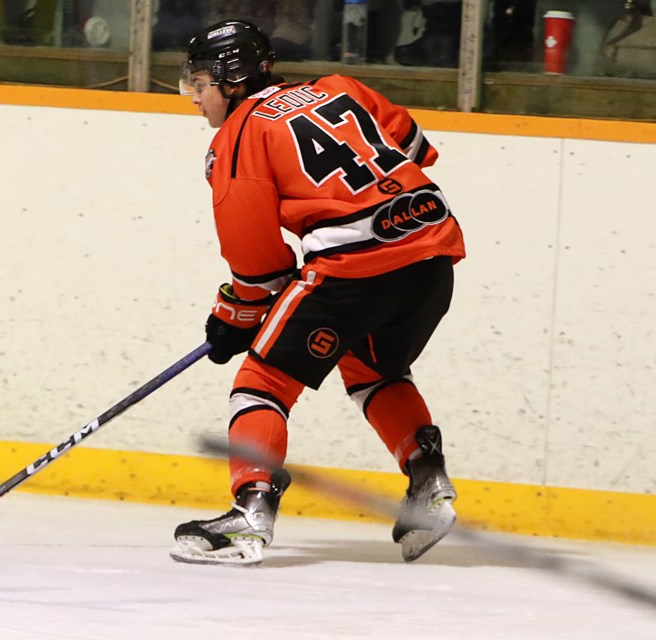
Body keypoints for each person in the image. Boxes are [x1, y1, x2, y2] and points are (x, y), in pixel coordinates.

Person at [170, 19, 466, 566]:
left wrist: (233, 317)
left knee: (261, 383)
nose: (194, 97)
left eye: (201, 82)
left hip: (356, 266)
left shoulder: (236, 138)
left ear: (232, 81)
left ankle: (250, 514)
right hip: (432, 253)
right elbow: (416, 150)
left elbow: (257, 263)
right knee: (372, 368)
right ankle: (429, 486)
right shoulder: (340, 88)